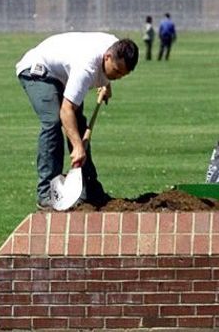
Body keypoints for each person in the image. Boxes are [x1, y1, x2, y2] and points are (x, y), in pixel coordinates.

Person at [15, 33, 139, 207]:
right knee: (53, 122)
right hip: (38, 69)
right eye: (116, 71)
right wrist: (78, 147)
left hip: (63, 73)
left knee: (78, 127)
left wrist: (106, 84)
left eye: (122, 75)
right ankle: (47, 193)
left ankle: (90, 190)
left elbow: (105, 69)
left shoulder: (116, 46)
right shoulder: (86, 68)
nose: (118, 76)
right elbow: (66, 110)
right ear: (107, 57)